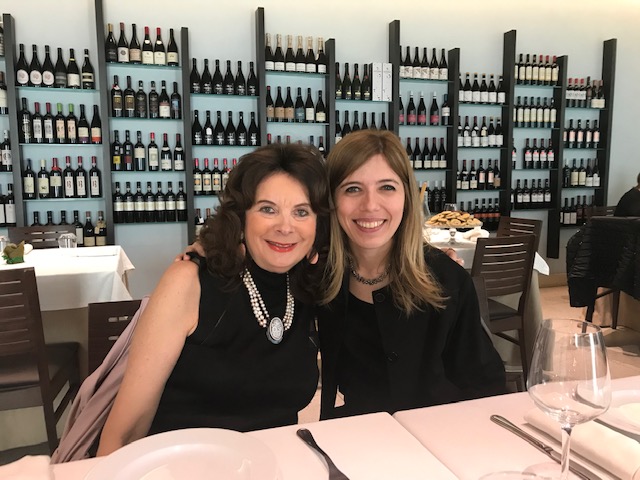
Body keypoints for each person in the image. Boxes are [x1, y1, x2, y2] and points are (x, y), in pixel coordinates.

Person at [97, 144, 330, 456]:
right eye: (267, 209)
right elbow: (124, 432)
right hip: (182, 466)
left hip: (273, 464)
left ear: (317, 224)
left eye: (301, 212)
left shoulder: (308, 286)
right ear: (241, 217)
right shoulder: (190, 282)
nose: (285, 227)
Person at [318, 129, 507, 419]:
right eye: (352, 189)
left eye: (387, 187)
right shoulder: (319, 277)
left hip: (439, 431)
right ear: (332, 199)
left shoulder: (447, 280)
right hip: (357, 434)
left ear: (407, 197)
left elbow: (485, 385)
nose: (370, 205)